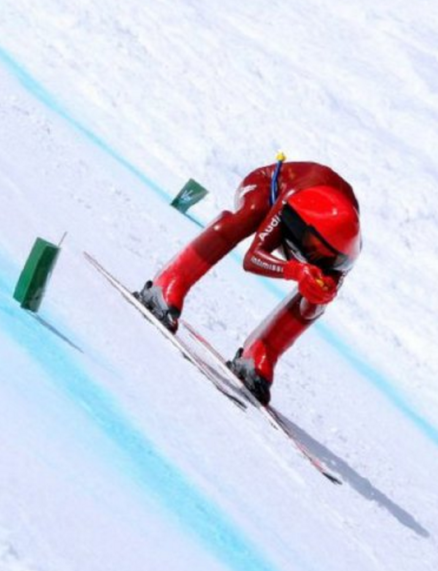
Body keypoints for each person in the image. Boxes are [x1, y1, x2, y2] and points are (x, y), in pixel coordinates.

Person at [136, 154, 361, 405]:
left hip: (307, 219)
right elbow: (252, 258)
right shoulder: (294, 199)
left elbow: (312, 304)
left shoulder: (343, 253)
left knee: (322, 289)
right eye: (313, 246)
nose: (314, 256)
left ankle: (262, 352)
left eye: (326, 257)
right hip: (269, 189)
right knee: (251, 213)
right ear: (305, 225)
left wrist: (317, 293)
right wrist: (295, 271)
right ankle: (169, 281)